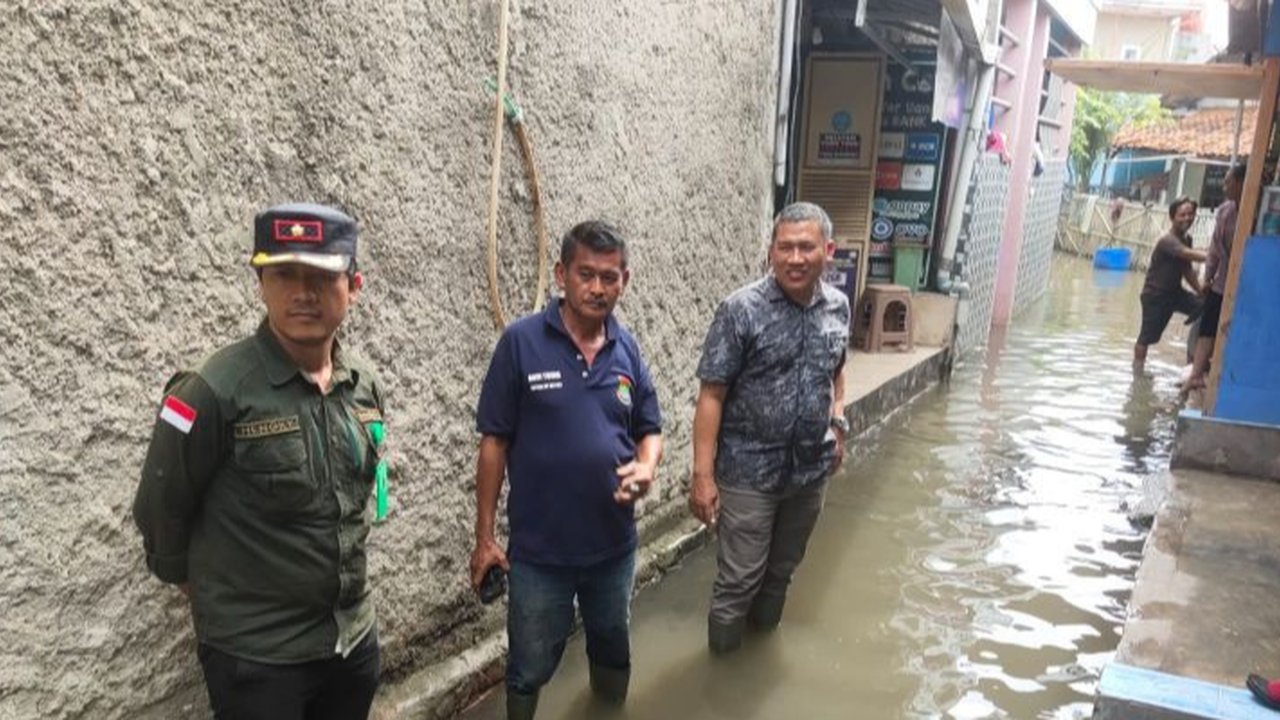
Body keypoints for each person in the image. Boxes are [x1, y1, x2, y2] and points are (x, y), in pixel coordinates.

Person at [133, 203, 385, 720]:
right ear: (260, 282)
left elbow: (359, 496)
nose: (302, 293)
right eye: (284, 274)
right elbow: (161, 501)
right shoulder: (212, 389)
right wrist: (201, 588)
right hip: (258, 659)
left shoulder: (362, 384)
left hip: (351, 639)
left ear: (353, 286)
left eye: (321, 275)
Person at [470, 221, 663, 720]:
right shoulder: (520, 342)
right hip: (539, 555)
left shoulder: (628, 349)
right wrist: (485, 537)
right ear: (561, 274)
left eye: (610, 277)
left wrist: (646, 465)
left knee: (612, 647)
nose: (597, 288)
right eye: (586, 274)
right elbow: (494, 442)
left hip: (613, 548)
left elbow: (650, 427)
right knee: (529, 664)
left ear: (625, 280)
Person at [689, 201, 850, 654]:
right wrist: (702, 475)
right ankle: (721, 674)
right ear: (770, 252)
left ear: (828, 250)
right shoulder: (740, 310)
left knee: (781, 572)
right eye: (785, 248)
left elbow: (836, 372)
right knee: (739, 579)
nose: (794, 258)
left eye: (806, 247)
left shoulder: (837, 307)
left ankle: (758, 661)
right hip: (748, 474)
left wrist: (838, 422)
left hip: (809, 472)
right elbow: (711, 395)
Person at [1133, 196, 1207, 374]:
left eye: (1190, 214)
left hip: (1175, 293)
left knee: (1206, 307)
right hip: (1156, 296)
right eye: (1182, 214)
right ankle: (1137, 374)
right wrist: (1214, 255)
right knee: (1146, 338)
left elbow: (1187, 270)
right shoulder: (1167, 240)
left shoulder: (1187, 238)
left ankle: (1193, 364)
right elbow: (1187, 254)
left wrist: (1200, 291)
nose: (1187, 218)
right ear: (1172, 217)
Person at [1187, 164, 1246, 389]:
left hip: (1247, 282)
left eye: (1228, 182)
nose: (1224, 186)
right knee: (1208, 327)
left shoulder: (1257, 210)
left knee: (1235, 329)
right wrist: (1207, 279)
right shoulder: (1225, 211)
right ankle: (1195, 374)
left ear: (1242, 182)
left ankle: (1226, 376)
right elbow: (1213, 250)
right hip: (1222, 282)